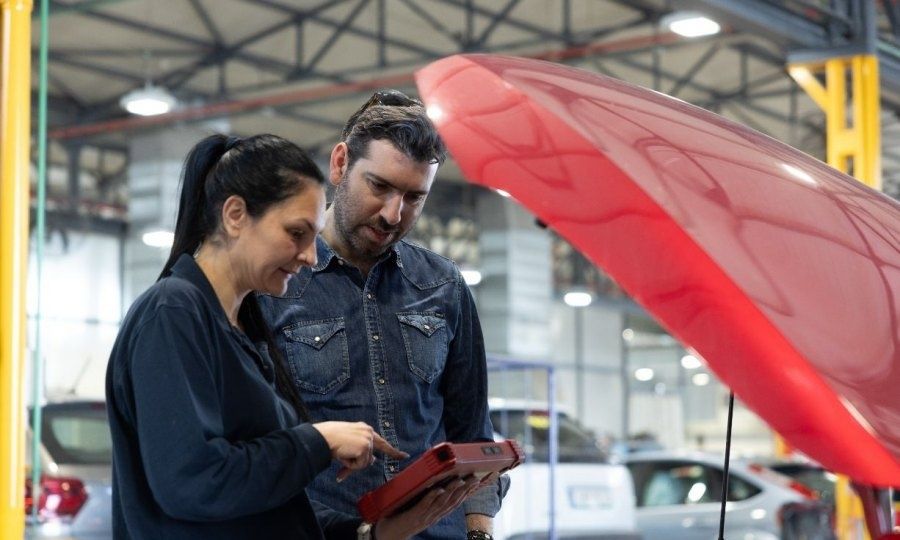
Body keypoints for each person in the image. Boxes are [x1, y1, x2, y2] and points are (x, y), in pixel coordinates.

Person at [105, 133, 478, 539]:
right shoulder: (173, 315)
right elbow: (194, 483)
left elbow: (270, 500)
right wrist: (317, 440)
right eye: (297, 233)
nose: (310, 256)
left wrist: (369, 533)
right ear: (235, 215)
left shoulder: (242, 332)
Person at [259, 91, 507, 540]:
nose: (394, 214)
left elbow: (473, 431)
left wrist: (479, 531)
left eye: (414, 197)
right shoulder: (275, 284)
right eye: (380, 186)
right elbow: (260, 446)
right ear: (340, 165)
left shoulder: (443, 285)